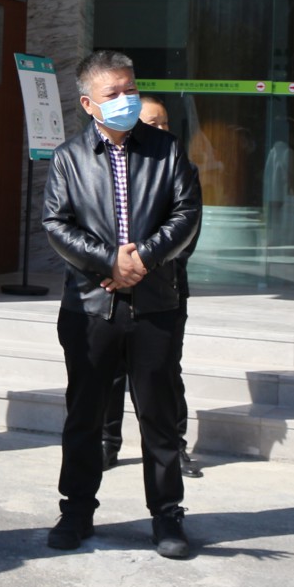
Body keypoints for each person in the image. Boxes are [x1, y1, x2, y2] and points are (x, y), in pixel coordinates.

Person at [43, 50, 202, 559]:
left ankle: (167, 516)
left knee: (159, 417)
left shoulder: (167, 149)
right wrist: (108, 263)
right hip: (91, 306)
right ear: (88, 103)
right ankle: (76, 511)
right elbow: (57, 225)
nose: (126, 100)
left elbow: (186, 214)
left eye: (130, 90)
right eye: (113, 93)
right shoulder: (69, 157)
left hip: (155, 304)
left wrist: (143, 260)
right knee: (84, 416)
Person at [97, 92, 202, 480]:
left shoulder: (179, 165)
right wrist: (111, 267)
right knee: (110, 372)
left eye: (164, 122)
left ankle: (174, 445)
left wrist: (144, 264)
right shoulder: (105, 166)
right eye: (150, 122)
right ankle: (107, 442)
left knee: (164, 373)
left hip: (163, 287)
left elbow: (187, 231)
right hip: (110, 288)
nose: (159, 128)